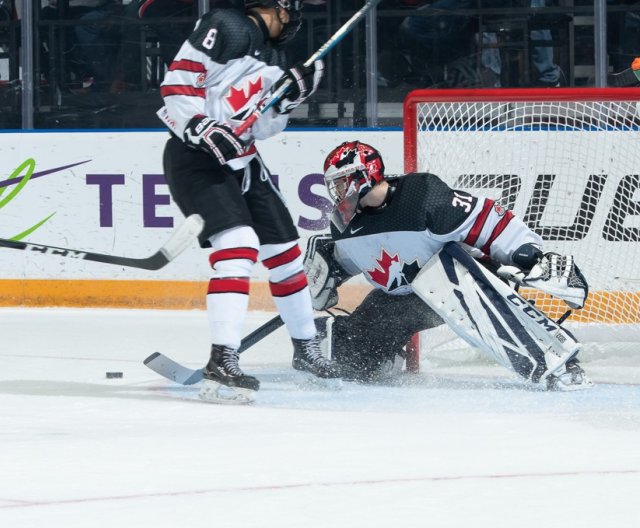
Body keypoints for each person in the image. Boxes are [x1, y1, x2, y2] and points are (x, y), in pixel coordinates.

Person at [157, 0, 340, 405]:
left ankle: (306, 349)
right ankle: (223, 358)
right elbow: (175, 84)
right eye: (291, 11)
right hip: (195, 160)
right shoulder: (228, 25)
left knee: (287, 255)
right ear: (275, 7)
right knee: (238, 248)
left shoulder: (276, 59)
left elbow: (263, 127)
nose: (294, 21)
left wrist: (289, 98)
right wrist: (200, 125)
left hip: (244, 162)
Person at [304, 140, 593, 390]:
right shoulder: (345, 223)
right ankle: (354, 344)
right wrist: (329, 268)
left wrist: (530, 255)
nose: (338, 191)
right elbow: (352, 259)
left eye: (342, 182)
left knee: (448, 275)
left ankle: (557, 361)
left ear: (362, 175)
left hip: (462, 278)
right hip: (405, 299)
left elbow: (490, 221)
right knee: (354, 359)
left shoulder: (421, 199)